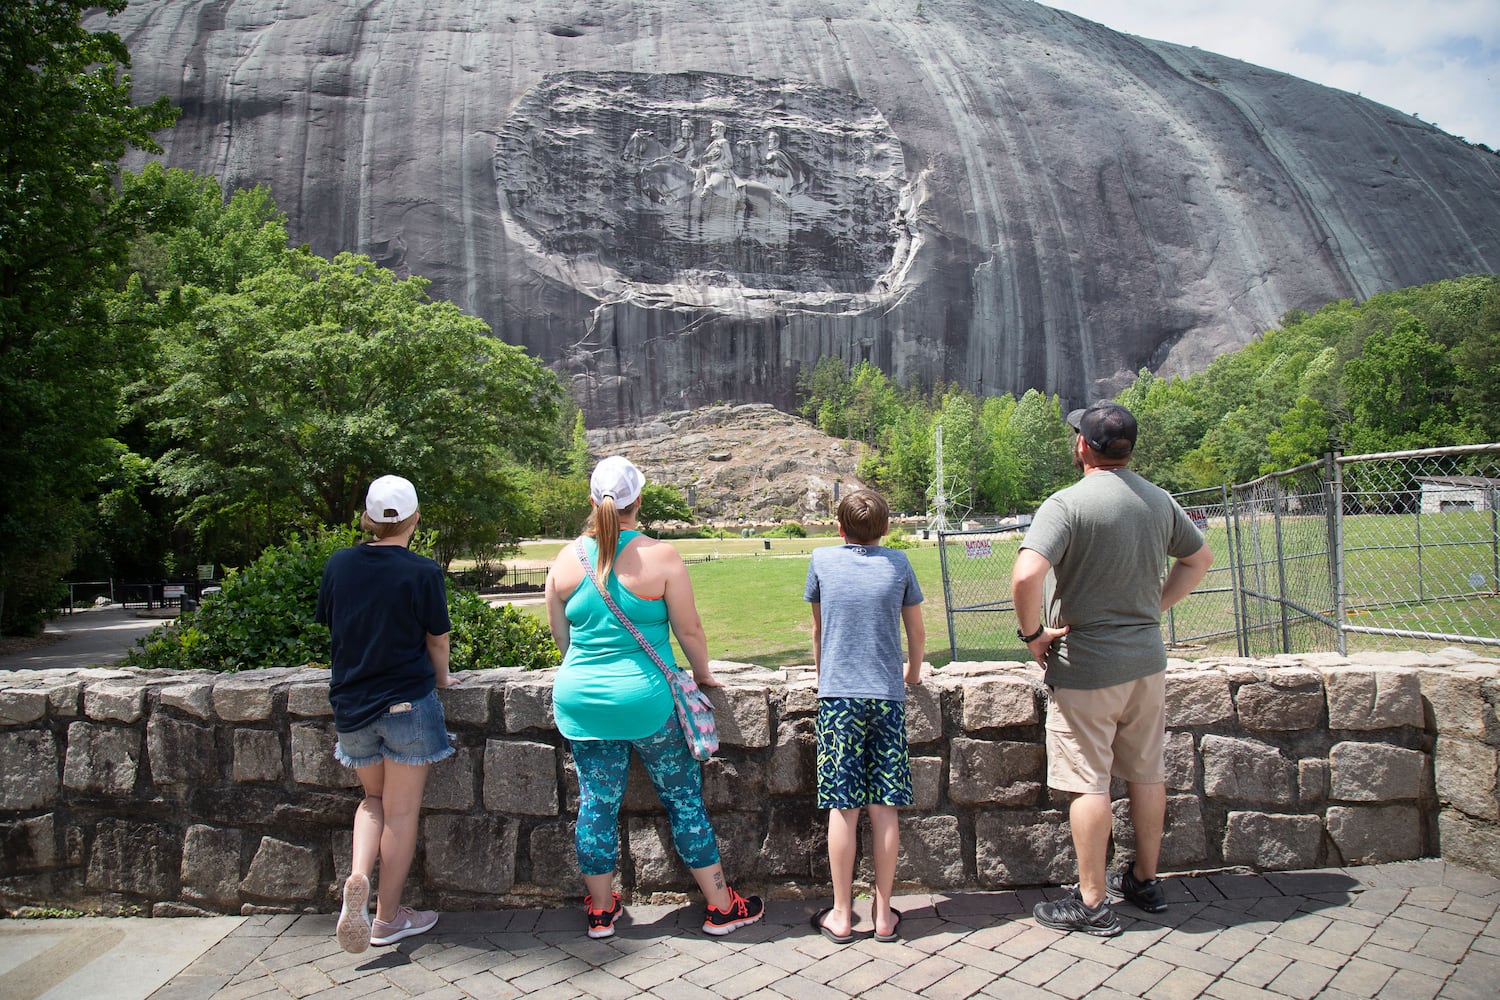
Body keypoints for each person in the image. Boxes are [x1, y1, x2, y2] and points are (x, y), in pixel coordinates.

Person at [1011, 403, 1212, 936]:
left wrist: (1033, 637)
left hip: (1087, 667)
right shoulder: (1159, 500)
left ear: (1083, 446)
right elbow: (1199, 559)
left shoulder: (1067, 504)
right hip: (1146, 663)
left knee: (1088, 783)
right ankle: (1145, 880)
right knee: (1146, 773)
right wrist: (1154, 609)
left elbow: (1027, 575)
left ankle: (1094, 902)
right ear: (1129, 450)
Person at [544, 456, 764, 939]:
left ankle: (601, 911)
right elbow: (688, 629)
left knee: (596, 804)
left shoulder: (565, 559)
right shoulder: (660, 556)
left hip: (583, 701)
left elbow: (562, 639)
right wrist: (703, 674)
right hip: (648, 703)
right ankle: (722, 906)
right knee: (684, 799)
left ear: (591, 501)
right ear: (637, 501)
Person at [316, 474, 458, 953]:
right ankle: (387, 918)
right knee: (400, 811)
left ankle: (358, 877)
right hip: (405, 704)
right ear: (415, 519)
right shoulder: (422, 572)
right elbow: (436, 639)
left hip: (352, 705)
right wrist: (443, 678)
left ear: (367, 519)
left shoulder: (339, 565)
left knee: (371, 802)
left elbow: (336, 627)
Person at [803, 488, 925, 944]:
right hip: (886, 698)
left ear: (839, 528)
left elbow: (819, 629)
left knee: (844, 807)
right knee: (884, 808)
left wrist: (822, 674)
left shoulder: (821, 560)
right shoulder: (899, 564)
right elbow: (916, 630)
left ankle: (840, 913)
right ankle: (883, 915)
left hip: (838, 699)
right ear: (886, 528)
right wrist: (912, 673)